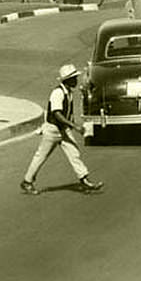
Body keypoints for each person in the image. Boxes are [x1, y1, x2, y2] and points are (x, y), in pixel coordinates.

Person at [21, 64, 103, 195]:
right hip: (52, 130)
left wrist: (74, 126)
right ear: (67, 80)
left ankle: (84, 180)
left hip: (64, 129)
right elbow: (57, 113)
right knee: (41, 156)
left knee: (74, 153)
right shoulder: (58, 93)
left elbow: (68, 113)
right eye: (73, 78)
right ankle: (27, 181)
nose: (76, 80)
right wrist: (74, 126)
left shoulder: (68, 92)